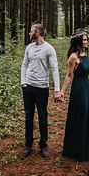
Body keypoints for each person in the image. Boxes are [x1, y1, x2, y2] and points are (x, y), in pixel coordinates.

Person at [20, 23, 61, 159]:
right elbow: (24, 64)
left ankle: (43, 145)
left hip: (42, 88)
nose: (29, 33)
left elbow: (55, 69)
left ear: (37, 32)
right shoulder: (29, 48)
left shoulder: (49, 49)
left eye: (31, 31)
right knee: (28, 116)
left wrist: (57, 90)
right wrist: (23, 82)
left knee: (43, 118)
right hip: (29, 87)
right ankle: (28, 145)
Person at [59, 30, 89, 161]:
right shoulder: (73, 57)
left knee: (88, 115)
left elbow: (87, 73)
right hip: (79, 90)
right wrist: (62, 92)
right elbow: (69, 76)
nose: (87, 41)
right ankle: (76, 149)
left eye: (87, 39)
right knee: (80, 116)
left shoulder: (84, 54)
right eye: (84, 40)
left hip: (87, 88)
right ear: (78, 42)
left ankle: (86, 147)